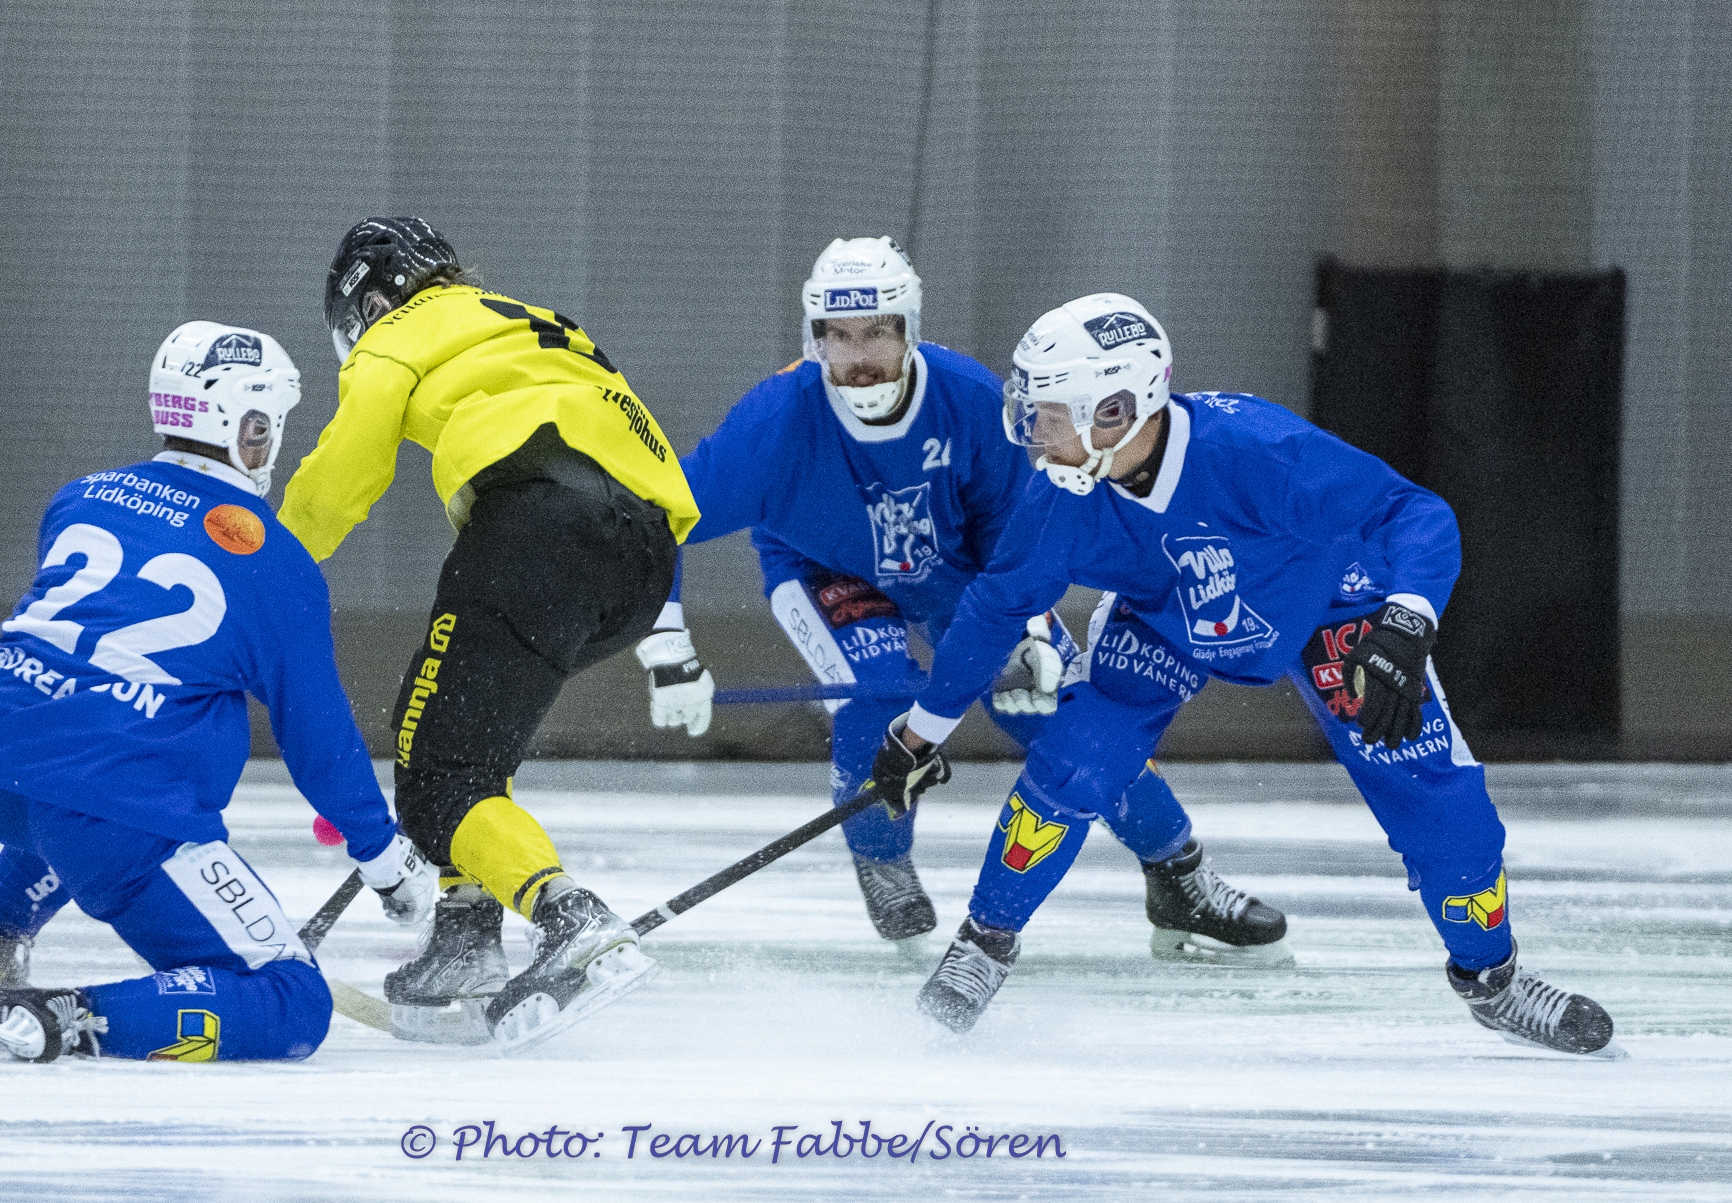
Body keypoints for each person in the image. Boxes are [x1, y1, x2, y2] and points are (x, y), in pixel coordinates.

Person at [868, 293, 1615, 1055]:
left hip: (1329, 605)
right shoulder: (1059, 494)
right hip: (1164, 616)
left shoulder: (1256, 448)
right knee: (1076, 758)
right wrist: (919, 734)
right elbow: (997, 608)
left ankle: (1493, 980)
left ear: (1118, 409)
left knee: (1439, 805)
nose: (1035, 436)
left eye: (1051, 415)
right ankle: (985, 941)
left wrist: (1405, 623)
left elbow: (1414, 512)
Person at [637, 237, 1287, 960]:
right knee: (880, 693)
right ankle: (882, 856)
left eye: (876, 332)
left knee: (1065, 714)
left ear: (910, 328)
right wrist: (668, 644)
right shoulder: (772, 421)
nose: (858, 356)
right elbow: (656, 517)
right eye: (838, 336)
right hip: (824, 571)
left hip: (963, 573)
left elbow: (1020, 533)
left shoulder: (972, 400)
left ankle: (1180, 875)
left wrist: (1031, 631)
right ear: (813, 336)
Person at [0, 321, 436, 1064]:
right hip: (109, 812)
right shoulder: (275, 562)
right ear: (247, 425)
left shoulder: (81, 497)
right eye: (270, 423)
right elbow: (319, 741)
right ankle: (63, 1019)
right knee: (293, 1000)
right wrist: (385, 859)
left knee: (75, 764)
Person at [279, 217, 701, 1049]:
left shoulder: (397, 332)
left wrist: (264, 563)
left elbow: (343, 471)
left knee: (435, 777)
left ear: (371, 302)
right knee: (462, 748)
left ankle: (571, 919)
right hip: (645, 563)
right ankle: (466, 938)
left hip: (541, 523)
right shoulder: (537, 325)